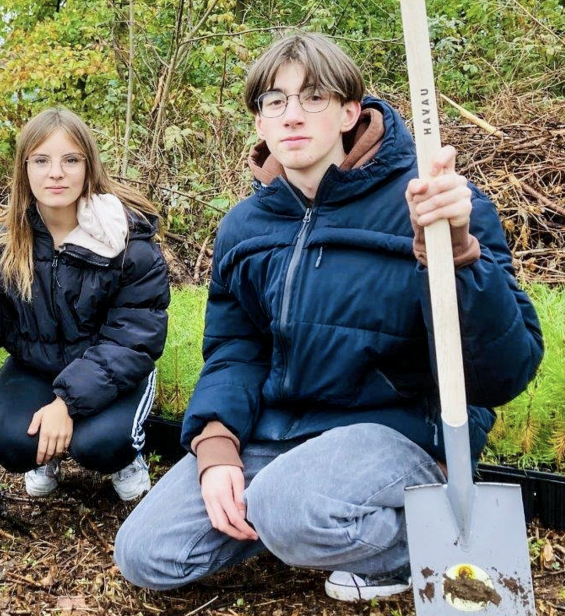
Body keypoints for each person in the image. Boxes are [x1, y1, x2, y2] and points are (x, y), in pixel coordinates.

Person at [114, 33, 543, 601]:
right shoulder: (244, 227)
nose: (292, 114)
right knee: (147, 554)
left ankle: (403, 542)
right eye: (275, 100)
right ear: (260, 123)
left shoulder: (429, 199)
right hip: (281, 431)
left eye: (313, 97)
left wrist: (456, 253)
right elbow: (235, 350)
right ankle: (308, 523)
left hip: (396, 429)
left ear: (349, 112)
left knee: (285, 507)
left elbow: (504, 372)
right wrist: (216, 445)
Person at [0, 107, 170, 501]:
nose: (56, 173)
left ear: (88, 166)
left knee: (101, 444)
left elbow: (134, 340)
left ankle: (125, 457)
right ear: (24, 169)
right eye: (41, 160)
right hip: (37, 364)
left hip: (110, 368)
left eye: (70, 160)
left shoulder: (126, 240)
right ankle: (49, 453)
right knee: (12, 443)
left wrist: (65, 403)